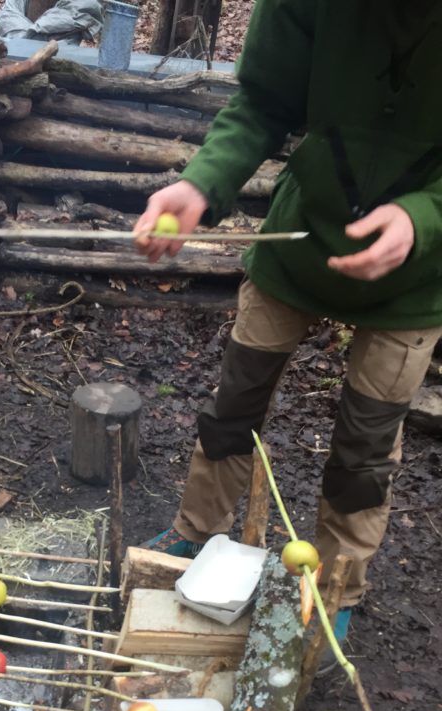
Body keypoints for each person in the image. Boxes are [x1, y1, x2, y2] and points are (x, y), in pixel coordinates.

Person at [134, 0, 442, 667]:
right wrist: (202, 182)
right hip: (298, 245)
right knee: (235, 402)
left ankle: (334, 590)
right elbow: (264, 101)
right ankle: (196, 532)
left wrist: (424, 219)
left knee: (365, 447)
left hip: (418, 277)